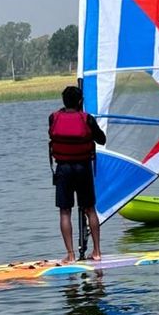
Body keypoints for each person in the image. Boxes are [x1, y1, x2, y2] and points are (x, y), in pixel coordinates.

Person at [49, 85, 106, 263]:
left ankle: (71, 254)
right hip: (83, 168)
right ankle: (97, 252)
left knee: (65, 212)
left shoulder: (53, 117)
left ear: (63, 101)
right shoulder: (87, 119)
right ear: (81, 101)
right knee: (90, 209)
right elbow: (102, 139)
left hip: (63, 169)